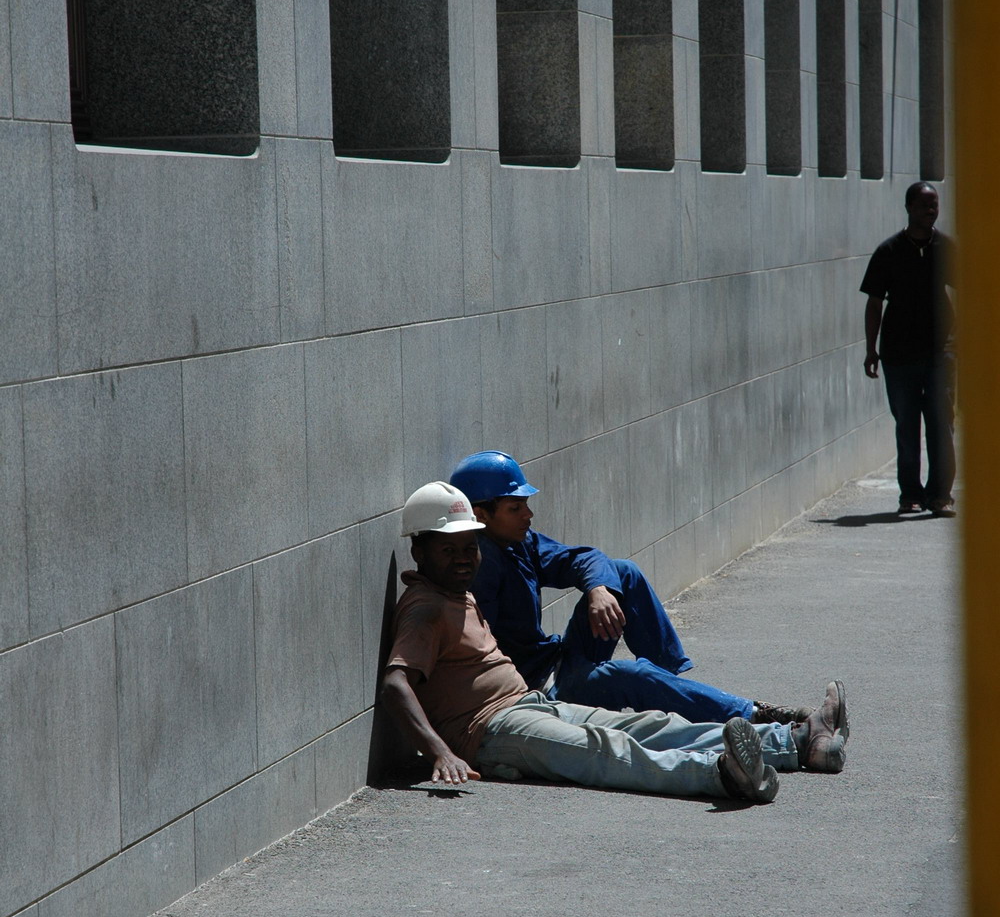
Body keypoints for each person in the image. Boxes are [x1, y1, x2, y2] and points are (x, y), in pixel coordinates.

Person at [380, 482, 850, 804]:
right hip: (491, 732)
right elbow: (396, 684)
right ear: (419, 551)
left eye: (470, 547)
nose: (464, 559)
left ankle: (796, 741)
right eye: (448, 550)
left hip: (529, 703)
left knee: (650, 725)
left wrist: (597, 588)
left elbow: (583, 559)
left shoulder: (462, 586)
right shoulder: (426, 607)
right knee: (605, 747)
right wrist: (440, 752)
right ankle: (722, 774)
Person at [448, 450, 809, 728]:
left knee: (623, 573)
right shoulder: (476, 567)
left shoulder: (517, 541)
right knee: (634, 676)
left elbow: (583, 558)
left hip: (555, 660)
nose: (528, 515)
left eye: (526, 505)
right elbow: (480, 658)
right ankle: (758, 716)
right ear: (480, 514)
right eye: (515, 507)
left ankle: (670, 685)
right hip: (542, 688)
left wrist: (598, 588)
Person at [861, 182, 956, 516]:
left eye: (935, 205)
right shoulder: (889, 251)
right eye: (924, 205)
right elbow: (874, 303)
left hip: (940, 350)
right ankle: (910, 495)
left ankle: (940, 495)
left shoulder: (946, 248)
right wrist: (871, 349)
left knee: (941, 422)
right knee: (906, 424)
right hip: (899, 353)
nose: (931, 211)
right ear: (909, 208)